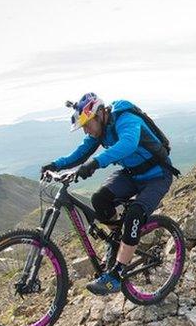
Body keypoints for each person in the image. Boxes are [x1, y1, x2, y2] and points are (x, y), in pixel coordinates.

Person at [41, 92, 179, 295]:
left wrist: (95, 163)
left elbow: (128, 144)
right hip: (132, 175)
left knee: (134, 215)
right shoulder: (99, 131)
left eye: (88, 124)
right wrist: (55, 165)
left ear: (99, 114)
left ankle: (115, 276)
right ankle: (118, 241)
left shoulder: (126, 119)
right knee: (100, 199)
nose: (86, 130)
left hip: (158, 175)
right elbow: (80, 153)